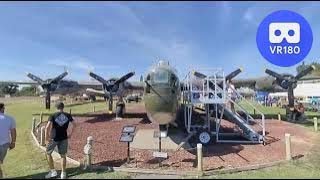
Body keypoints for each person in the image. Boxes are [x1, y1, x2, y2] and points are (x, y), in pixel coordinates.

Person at [45, 102, 76, 179]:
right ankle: (63, 173)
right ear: (63, 107)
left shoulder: (52, 115)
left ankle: (53, 172)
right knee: (63, 156)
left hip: (54, 138)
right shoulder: (68, 115)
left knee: (48, 153)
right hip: (64, 138)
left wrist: (46, 137)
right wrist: (71, 134)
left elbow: (47, 127)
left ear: (56, 107)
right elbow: (75, 125)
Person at [0, 103, 16, 179]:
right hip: (5, 144)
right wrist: (13, 142)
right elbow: (13, 132)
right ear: (2, 108)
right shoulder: (9, 118)